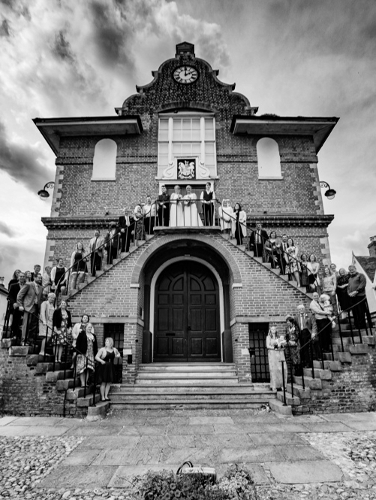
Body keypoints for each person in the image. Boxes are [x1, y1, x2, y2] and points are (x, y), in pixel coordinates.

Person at [95, 337, 121, 401]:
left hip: (111, 366)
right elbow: (96, 357)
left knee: (109, 382)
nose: (106, 342)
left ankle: (106, 396)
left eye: (107, 341)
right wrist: (101, 361)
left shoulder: (114, 349)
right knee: (103, 382)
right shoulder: (102, 349)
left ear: (111, 343)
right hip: (104, 366)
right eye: (105, 341)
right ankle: (102, 397)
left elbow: (119, 354)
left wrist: (117, 356)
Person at [17, 277, 40, 345]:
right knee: (26, 324)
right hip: (28, 307)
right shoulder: (28, 284)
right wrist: (20, 305)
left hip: (35, 308)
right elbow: (19, 295)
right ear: (35, 278)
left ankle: (29, 341)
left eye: (41, 278)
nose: (40, 279)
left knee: (32, 326)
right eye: (39, 278)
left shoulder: (39, 287)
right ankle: (23, 340)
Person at [347, 265, 372, 329]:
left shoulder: (361, 275)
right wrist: (349, 293)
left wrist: (356, 291)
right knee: (355, 312)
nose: (351, 270)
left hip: (360, 296)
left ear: (355, 268)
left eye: (352, 269)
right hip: (352, 297)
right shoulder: (350, 278)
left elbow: (362, 284)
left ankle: (362, 326)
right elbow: (348, 287)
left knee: (361, 311)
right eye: (350, 269)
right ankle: (357, 325)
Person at [75, 322, 98, 387]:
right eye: (88, 327)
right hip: (83, 354)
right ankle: (82, 383)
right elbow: (78, 344)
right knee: (82, 369)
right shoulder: (82, 334)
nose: (89, 328)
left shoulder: (93, 336)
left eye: (90, 327)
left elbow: (95, 346)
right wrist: (78, 353)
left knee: (88, 368)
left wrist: (95, 355)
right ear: (85, 327)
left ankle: (86, 382)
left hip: (91, 354)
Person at [280, 316, 301, 381]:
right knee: (291, 358)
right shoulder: (287, 328)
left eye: (288, 322)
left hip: (295, 344)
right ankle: (292, 374)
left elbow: (298, 335)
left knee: (296, 357)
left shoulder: (296, 327)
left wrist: (294, 340)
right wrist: (287, 340)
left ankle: (298, 372)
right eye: (287, 322)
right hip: (289, 344)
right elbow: (287, 336)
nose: (287, 323)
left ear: (291, 322)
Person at [7, 272, 26, 341]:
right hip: (16, 306)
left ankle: (22, 337)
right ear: (18, 277)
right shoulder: (13, 285)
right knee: (16, 320)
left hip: (24, 306)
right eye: (20, 276)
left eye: (23, 276)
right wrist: (14, 303)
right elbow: (10, 296)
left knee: (23, 322)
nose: (22, 277)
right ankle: (14, 334)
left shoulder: (26, 286)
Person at [266, 326, 286, 391]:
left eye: (274, 329)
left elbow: (282, 346)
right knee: (273, 370)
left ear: (276, 330)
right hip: (272, 354)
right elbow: (268, 346)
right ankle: (274, 386)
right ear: (270, 330)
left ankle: (282, 385)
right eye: (272, 329)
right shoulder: (268, 337)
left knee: (281, 370)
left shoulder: (278, 337)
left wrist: (282, 344)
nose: (273, 330)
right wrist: (275, 348)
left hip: (279, 354)